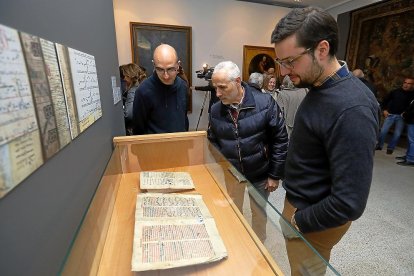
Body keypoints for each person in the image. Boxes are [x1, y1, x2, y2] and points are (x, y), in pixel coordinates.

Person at [271, 7, 380, 275]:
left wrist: (299, 220)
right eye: (280, 62)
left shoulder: (353, 109)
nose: (284, 72)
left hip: (312, 218)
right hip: (302, 203)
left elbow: (349, 202)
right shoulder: (319, 85)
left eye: (291, 61)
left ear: (321, 49)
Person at [208, 61, 288, 242]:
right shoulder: (215, 109)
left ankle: (259, 248)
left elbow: (280, 139)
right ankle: (237, 244)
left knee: (259, 213)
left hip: (260, 172)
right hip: (233, 175)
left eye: (222, 87)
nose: (218, 94)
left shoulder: (265, 103)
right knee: (233, 211)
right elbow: (212, 140)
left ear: (237, 81)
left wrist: (275, 174)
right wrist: (225, 167)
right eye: (215, 88)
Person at [132, 44, 188, 134]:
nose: (166, 76)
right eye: (160, 69)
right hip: (154, 146)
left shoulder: (183, 86)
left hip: (180, 144)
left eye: (170, 69)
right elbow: (139, 129)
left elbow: (184, 119)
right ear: (154, 65)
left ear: (178, 65)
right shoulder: (143, 91)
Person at [376, 77, 414, 154]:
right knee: (383, 131)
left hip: (401, 117)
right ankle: (379, 145)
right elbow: (385, 100)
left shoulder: (413, 95)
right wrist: (384, 110)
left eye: (409, 83)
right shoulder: (395, 92)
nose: (406, 85)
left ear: (412, 85)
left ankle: (391, 148)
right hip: (390, 115)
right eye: (405, 82)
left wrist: (406, 114)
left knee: (397, 134)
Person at [121, 63, 147, 135]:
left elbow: (128, 115)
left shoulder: (133, 90)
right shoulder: (145, 85)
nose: (124, 79)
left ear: (130, 76)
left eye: (125, 76)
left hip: (137, 131)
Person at [396, 98, 414, 166]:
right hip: (411, 121)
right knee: (410, 140)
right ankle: (408, 156)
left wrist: (405, 114)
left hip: (413, 121)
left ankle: (411, 159)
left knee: (412, 141)